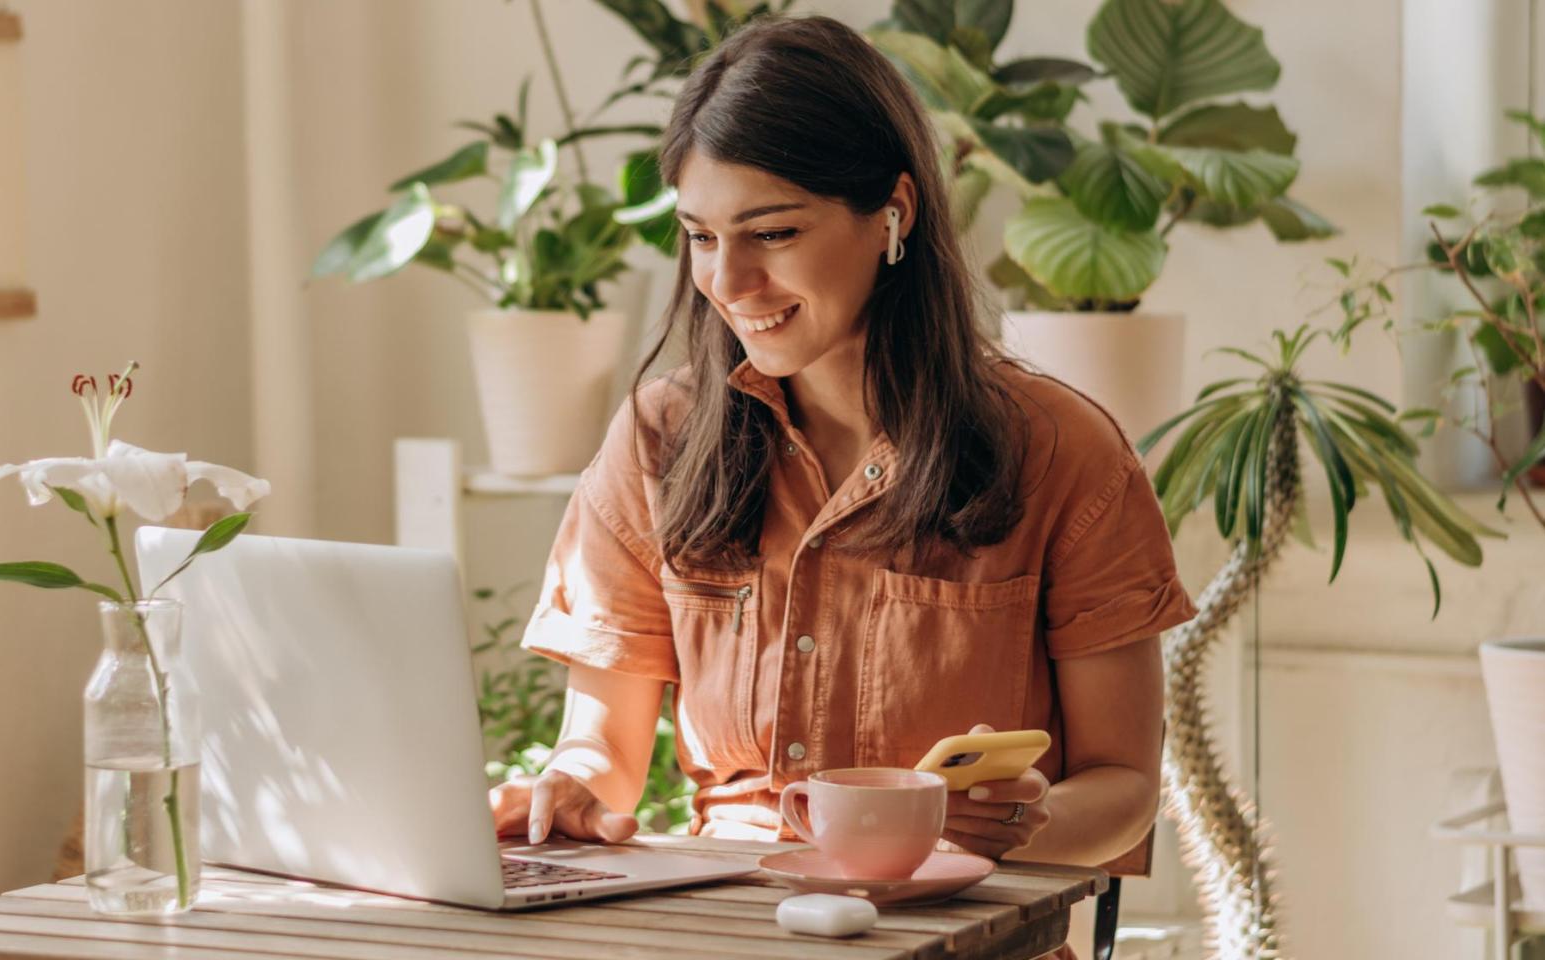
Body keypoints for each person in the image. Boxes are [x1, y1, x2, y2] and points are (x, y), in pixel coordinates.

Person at [488, 12, 1196, 891]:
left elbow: (1125, 785)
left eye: (773, 233)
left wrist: (1020, 823)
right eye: (702, 237)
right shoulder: (658, 438)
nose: (728, 283)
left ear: (893, 213)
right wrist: (568, 789)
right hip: (732, 917)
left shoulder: (1061, 450)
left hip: (958, 930)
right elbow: (602, 752)